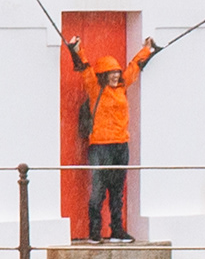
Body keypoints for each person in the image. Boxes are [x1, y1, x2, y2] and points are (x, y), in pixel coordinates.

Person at [63, 29, 165, 241]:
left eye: (117, 72)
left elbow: (134, 67)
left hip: (120, 144)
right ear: (103, 74)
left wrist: (148, 50)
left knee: (117, 191)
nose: (116, 75)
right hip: (100, 146)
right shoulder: (94, 87)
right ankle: (94, 232)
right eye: (111, 73)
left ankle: (116, 230)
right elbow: (84, 66)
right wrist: (76, 48)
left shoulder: (121, 86)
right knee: (98, 190)